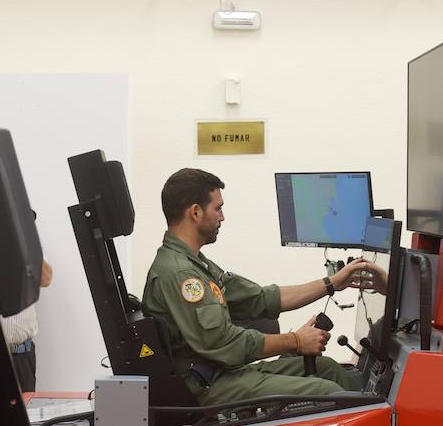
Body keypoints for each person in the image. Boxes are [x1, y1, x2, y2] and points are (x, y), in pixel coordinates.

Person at [142, 168, 375, 405]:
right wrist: (295, 341)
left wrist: (332, 283)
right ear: (195, 212)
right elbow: (225, 344)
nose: (222, 217)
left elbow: (260, 298)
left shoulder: (195, 263)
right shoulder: (181, 274)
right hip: (207, 386)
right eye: (218, 208)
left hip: (222, 374)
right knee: (326, 392)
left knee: (329, 369)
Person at [0, 257, 53, 393]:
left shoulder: (25, 239)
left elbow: (45, 279)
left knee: (27, 412)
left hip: (23, 355)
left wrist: (22, 242)